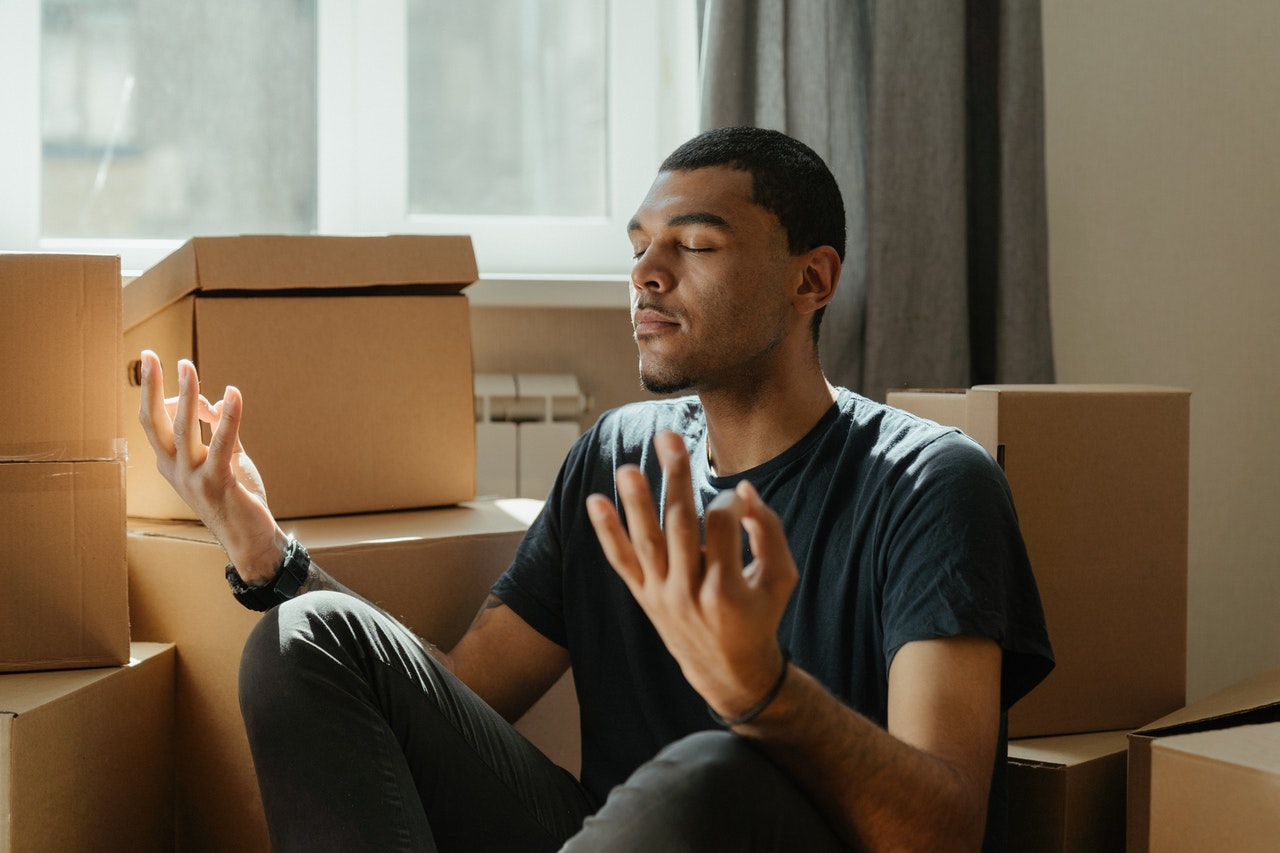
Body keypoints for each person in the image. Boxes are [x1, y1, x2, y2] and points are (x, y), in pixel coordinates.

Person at [138, 126, 1053, 852]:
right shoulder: (618, 457)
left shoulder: (930, 482)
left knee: (716, 773)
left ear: (810, 279)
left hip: (755, 830)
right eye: (639, 245)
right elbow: (457, 695)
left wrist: (761, 691)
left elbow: (942, 834)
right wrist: (264, 550)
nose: (648, 273)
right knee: (305, 638)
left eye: (694, 244)